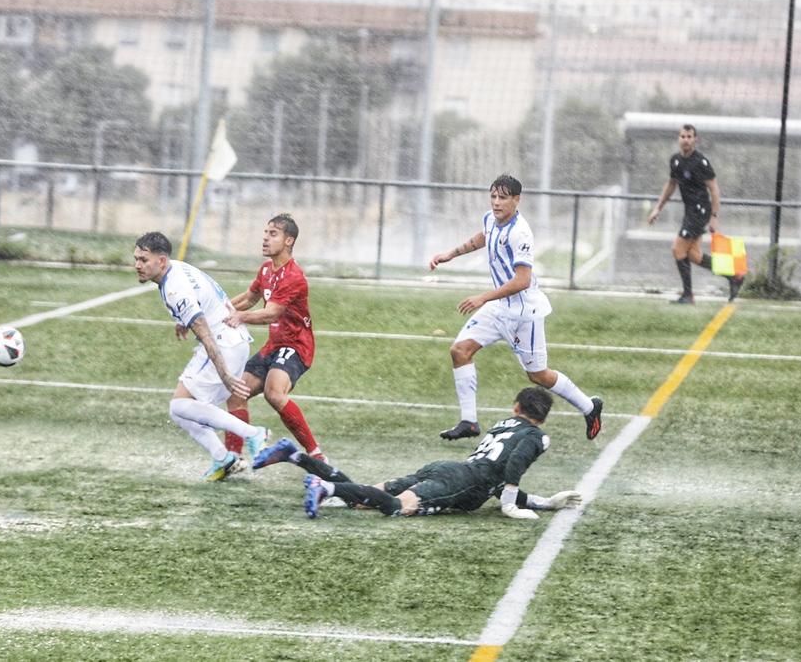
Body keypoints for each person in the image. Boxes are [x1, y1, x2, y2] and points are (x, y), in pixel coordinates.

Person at [429, 174, 603, 441]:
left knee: (538, 376)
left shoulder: (520, 233)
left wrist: (483, 297)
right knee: (460, 351)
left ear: (516, 200)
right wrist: (450, 254)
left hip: (524, 313)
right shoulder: (491, 218)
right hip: (499, 307)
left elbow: (522, 281)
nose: (496, 203)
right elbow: (483, 236)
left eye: (503, 197)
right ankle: (469, 422)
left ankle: (590, 407)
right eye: (493, 196)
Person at [252, 387, 582, 520]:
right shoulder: (536, 436)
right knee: (395, 508)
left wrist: (545, 502)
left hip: (447, 470)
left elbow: (498, 478)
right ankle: (326, 487)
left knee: (365, 498)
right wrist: (511, 505)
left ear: (516, 407)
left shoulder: (504, 424)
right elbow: (514, 466)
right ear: (543, 417)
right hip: (460, 482)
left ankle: (294, 455)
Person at [133, 231, 271, 481]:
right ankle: (224, 458)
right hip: (235, 340)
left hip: (222, 344)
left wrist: (226, 376)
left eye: (144, 260)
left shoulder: (174, 289)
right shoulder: (178, 268)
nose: (137, 265)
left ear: (161, 261)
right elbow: (205, 300)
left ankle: (253, 434)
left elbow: (206, 335)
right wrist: (183, 320)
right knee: (180, 411)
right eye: (136, 259)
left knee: (180, 405)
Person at [218, 214, 326, 462]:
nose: (265, 238)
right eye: (265, 232)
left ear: (289, 241)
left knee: (274, 393)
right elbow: (249, 297)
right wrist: (217, 310)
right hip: (274, 345)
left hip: (296, 345)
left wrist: (240, 317)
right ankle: (233, 460)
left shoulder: (293, 276)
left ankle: (316, 455)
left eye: (273, 234)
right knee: (236, 393)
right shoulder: (266, 269)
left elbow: (271, 313)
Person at [647, 124, 744, 303]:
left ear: (695, 139)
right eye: (683, 136)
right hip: (690, 211)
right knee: (694, 255)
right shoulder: (675, 160)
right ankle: (734, 276)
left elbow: (714, 190)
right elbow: (671, 185)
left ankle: (688, 295)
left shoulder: (701, 162)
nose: (686, 140)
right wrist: (657, 208)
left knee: (677, 249)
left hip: (700, 211)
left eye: (689, 137)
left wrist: (714, 217)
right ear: (679, 139)